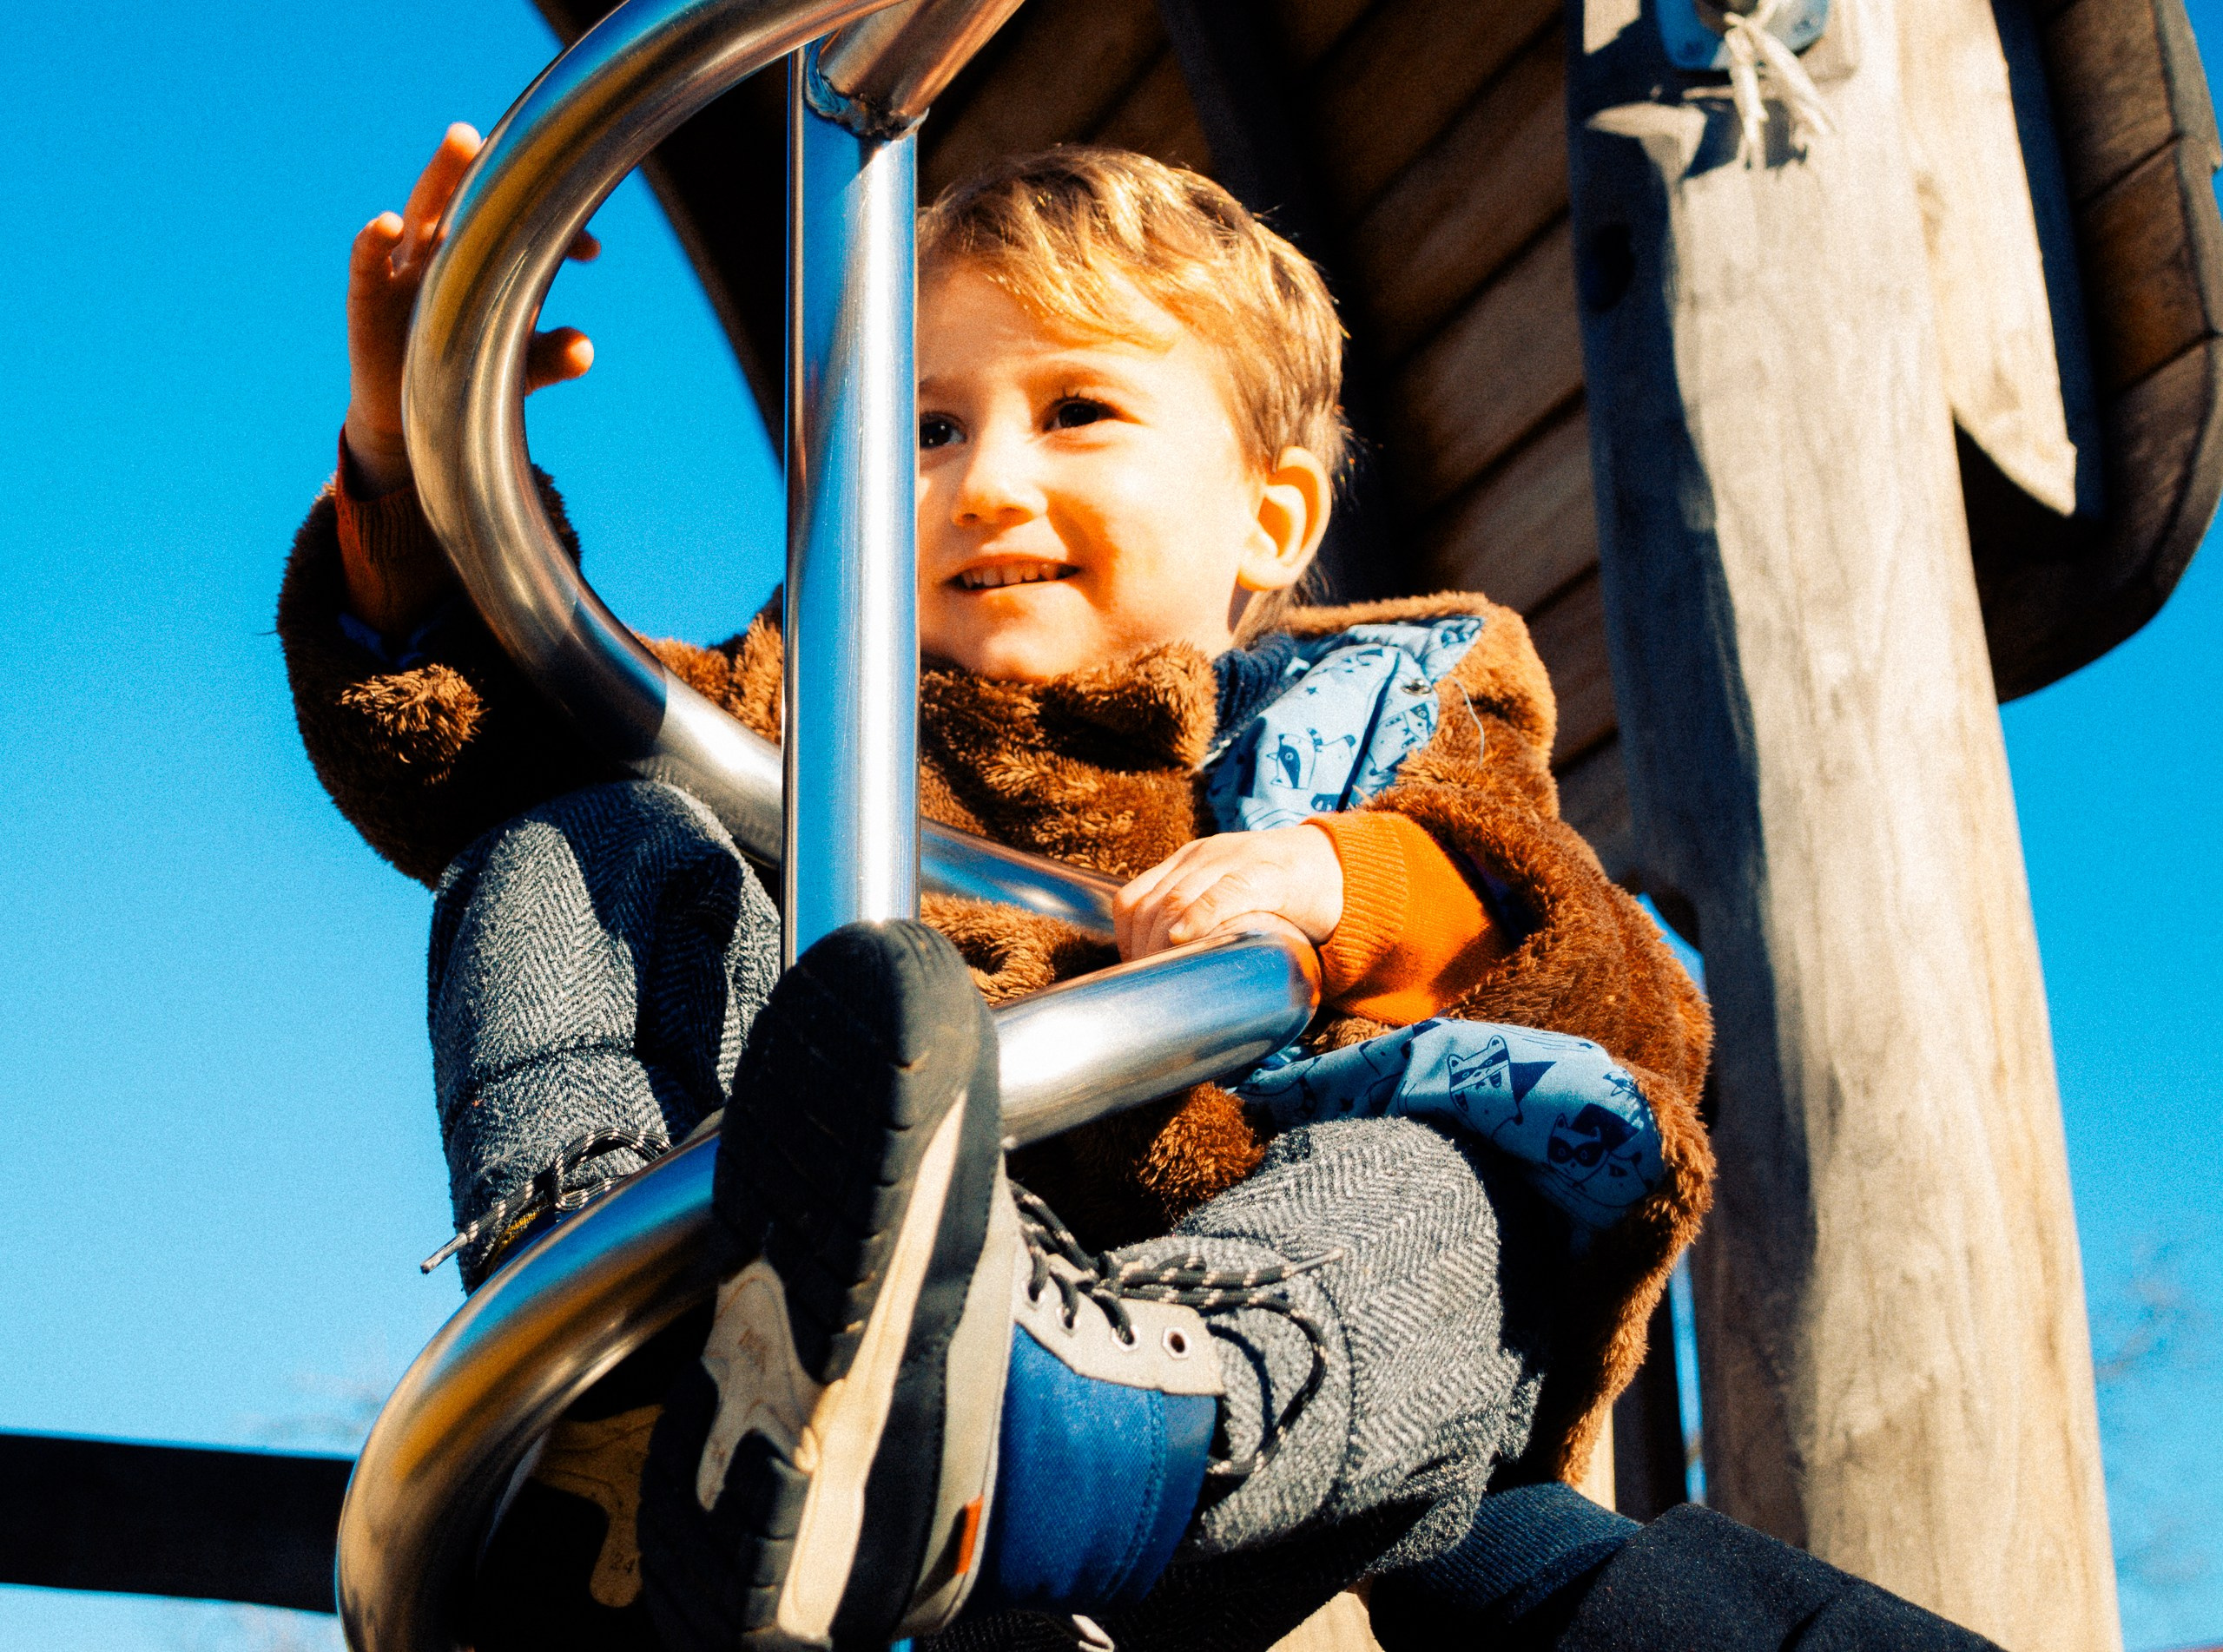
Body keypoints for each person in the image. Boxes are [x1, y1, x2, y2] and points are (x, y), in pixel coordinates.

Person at [280, 132, 1976, 1652]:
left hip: (1289, 1377)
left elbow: (1597, 979)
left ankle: (1099, 1436)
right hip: (827, 1360)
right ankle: (617, 1348)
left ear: (1270, 516)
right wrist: (419, 469)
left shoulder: (1375, 712)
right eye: (924, 428)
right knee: (583, 830)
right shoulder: (803, 725)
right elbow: (470, 744)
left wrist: (1346, 884)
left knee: (1460, 1174)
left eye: (1076, 411)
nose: (983, 481)